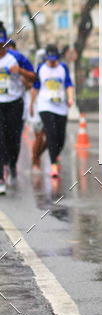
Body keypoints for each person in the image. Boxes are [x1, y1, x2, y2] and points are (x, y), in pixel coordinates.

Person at [30, 44, 74, 178]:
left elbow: (68, 84)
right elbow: (35, 87)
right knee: (51, 134)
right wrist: (31, 105)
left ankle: (52, 156)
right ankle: (53, 164)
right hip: (45, 106)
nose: (53, 62)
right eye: (50, 59)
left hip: (60, 106)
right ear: (46, 58)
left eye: (55, 59)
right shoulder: (41, 69)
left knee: (61, 138)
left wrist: (70, 98)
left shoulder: (63, 68)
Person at [0, 23, 35, 191]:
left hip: (15, 103)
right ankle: (1, 178)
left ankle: (12, 163)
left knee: (13, 139)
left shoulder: (17, 58)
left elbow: (33, 77)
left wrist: (19, 71)